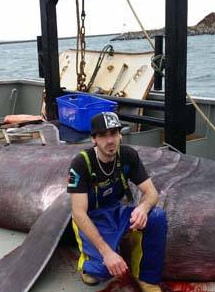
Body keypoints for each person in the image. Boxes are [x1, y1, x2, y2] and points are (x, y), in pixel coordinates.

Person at [67, 112, 167, 292]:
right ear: (94, 139)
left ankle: (146, 278)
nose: (110, 140)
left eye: (113, 133)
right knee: (104, 270)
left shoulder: (128, 155)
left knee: (157, 216)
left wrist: (143, 208)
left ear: (120, 135)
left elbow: (151, 193)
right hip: (91, 217)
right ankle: (88, 264)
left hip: (116, 211)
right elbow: (78, 213)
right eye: (103, 135)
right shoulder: (81, 163)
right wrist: (107, 253)